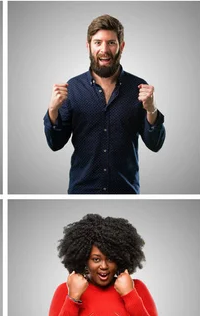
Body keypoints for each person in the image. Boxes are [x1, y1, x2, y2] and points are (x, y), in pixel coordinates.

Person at [44, 15, 165, 194]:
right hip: (82, 190)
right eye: (98, 42)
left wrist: (151, 109)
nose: (104, 49)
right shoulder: (74, 89)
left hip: (126, 191)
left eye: (111, 43)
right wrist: (53, 110)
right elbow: (55, 143)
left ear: (121, 47)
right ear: (88, 46)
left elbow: (155, 144)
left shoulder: (138, 88)